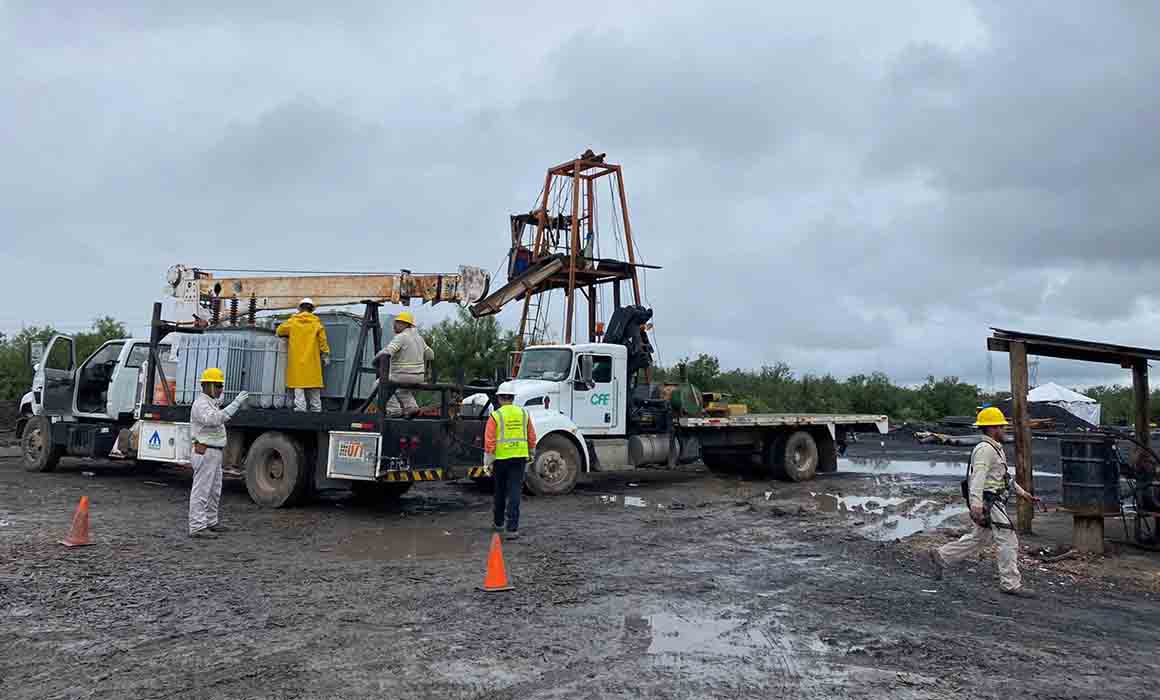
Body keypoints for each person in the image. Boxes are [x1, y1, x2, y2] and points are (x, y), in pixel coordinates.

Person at [927, 407, 1042, 597]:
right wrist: (976, 505)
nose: (1004, 430)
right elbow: (977, 478)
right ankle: (1010, 583)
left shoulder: (995, 448)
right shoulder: (984, 450)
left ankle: (942, 555)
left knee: (980, 538)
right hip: (990, 501)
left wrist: (1024, 494)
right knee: (1008, 540)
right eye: (1001, 427)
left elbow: (1003, 477)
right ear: (993, 427)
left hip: (993, 500)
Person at [189, 368, 248, 539]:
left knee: (214, 490)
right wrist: (235, 404)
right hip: (205, 451)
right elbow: (214, 419)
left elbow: (219, 402)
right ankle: (197, 526)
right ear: (207, 385)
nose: (221, 389)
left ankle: (210, 521)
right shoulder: (201, 405)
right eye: (218, 385)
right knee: (202, 490)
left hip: (213, 452)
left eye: (222, 385)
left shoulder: (210, 401)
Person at [484, 389, 537, 540]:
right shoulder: (523, 414)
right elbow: (532, 436)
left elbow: (489, 442)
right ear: (512, 398)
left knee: (500, 491)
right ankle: (512, 529)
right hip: (519, 457)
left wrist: (488, 462)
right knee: (514, 492)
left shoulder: (496, 416)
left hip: (500, 459)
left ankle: (499, 523)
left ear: (499, 399)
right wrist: (532, 453)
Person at [375, 311, 433, 418]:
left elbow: (388, 352)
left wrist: (376, 359)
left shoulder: (401, 337)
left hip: (402, 375)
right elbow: (431, 355)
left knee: (378, 384)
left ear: (405, 324)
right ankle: (412, 407)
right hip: (419, 377)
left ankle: (393, 410)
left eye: (398, 322)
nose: (394, 325)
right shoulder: (419, 339)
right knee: (402, 390)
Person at [276, 298, 330, 412]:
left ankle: (300, 408)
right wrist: (325, 355)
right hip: (312, 361)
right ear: (312, 310)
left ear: (300, 308)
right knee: (314, 385)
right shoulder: (317, 324)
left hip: (297, 361)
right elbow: (323, 341)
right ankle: (316, 408)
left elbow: (279, 331)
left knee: (298, 384)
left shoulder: (292, 322)